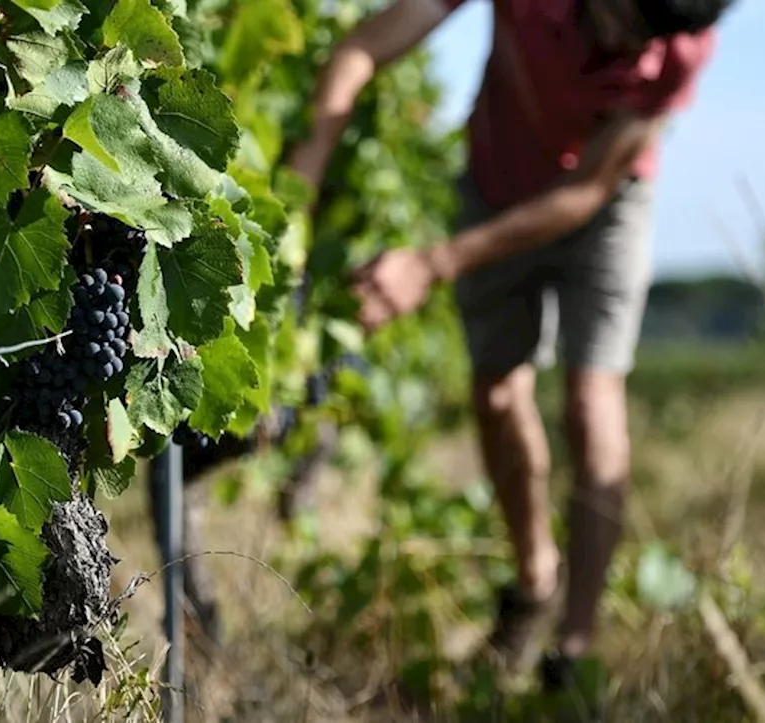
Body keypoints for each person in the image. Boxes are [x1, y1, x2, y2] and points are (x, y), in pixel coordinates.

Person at [285, 0, 734, 691]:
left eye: (646, 34)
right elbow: (364, 48)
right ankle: (534, 583)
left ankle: (572, 649)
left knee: (592, 400)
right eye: (622, 14)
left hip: (606, 200)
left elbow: (584, 193)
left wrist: (433, 262)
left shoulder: (682, 48)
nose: (623, 40)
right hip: (496, 180)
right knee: (496, 392)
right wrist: (304, 176)